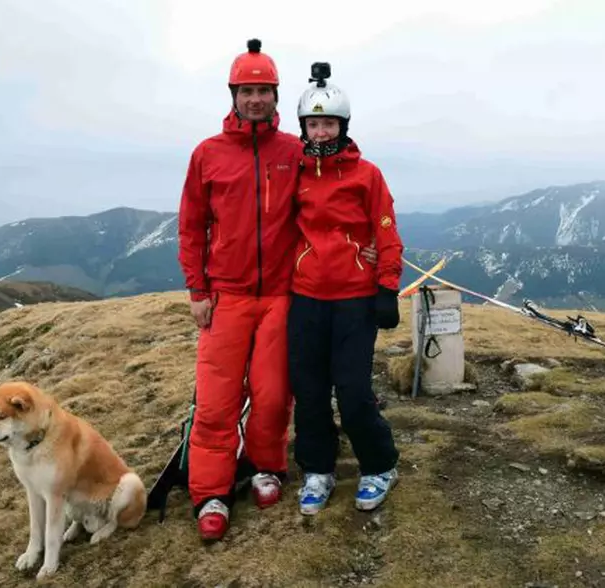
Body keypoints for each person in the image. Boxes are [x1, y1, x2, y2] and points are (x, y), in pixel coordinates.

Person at [177, 40, 376, 541]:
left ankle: (267, 467)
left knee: (271, 397)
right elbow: (191, 225)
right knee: (218, 401)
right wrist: (197, 289)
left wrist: (367, 248)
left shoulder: (296, 151)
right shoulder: (208, 155)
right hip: (226, 294)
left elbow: (338, 197)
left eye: (265, 90)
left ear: (277, 94)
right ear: (234, 94)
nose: (256, 99)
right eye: (247, 90)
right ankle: (212, 492)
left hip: (283, 297)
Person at [287, 62, 403, 516]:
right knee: (310, 390)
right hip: (306, 296)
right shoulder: (293, 172)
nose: (320, 131)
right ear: (303, 127)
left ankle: (380, 464)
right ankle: (318, 468)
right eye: (313, 123)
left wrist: (387, 286)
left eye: (328, 123)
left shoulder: (366, 175)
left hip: (354, 299)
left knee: (352, 390)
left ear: (343, 125)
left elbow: (386, 228)